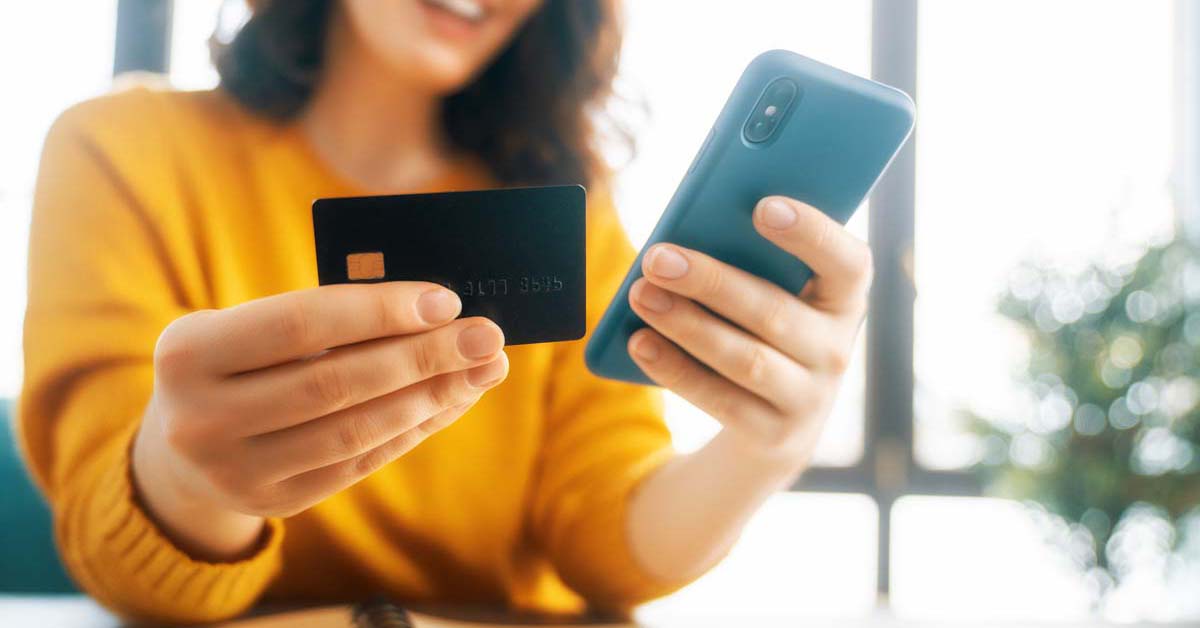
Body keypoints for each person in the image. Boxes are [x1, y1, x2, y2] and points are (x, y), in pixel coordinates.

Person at [18, 0, 873, 624]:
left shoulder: (567, 216)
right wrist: (187, 480)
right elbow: (113, 557)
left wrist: (766, 447)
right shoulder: (123, 150)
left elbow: (606, 545)